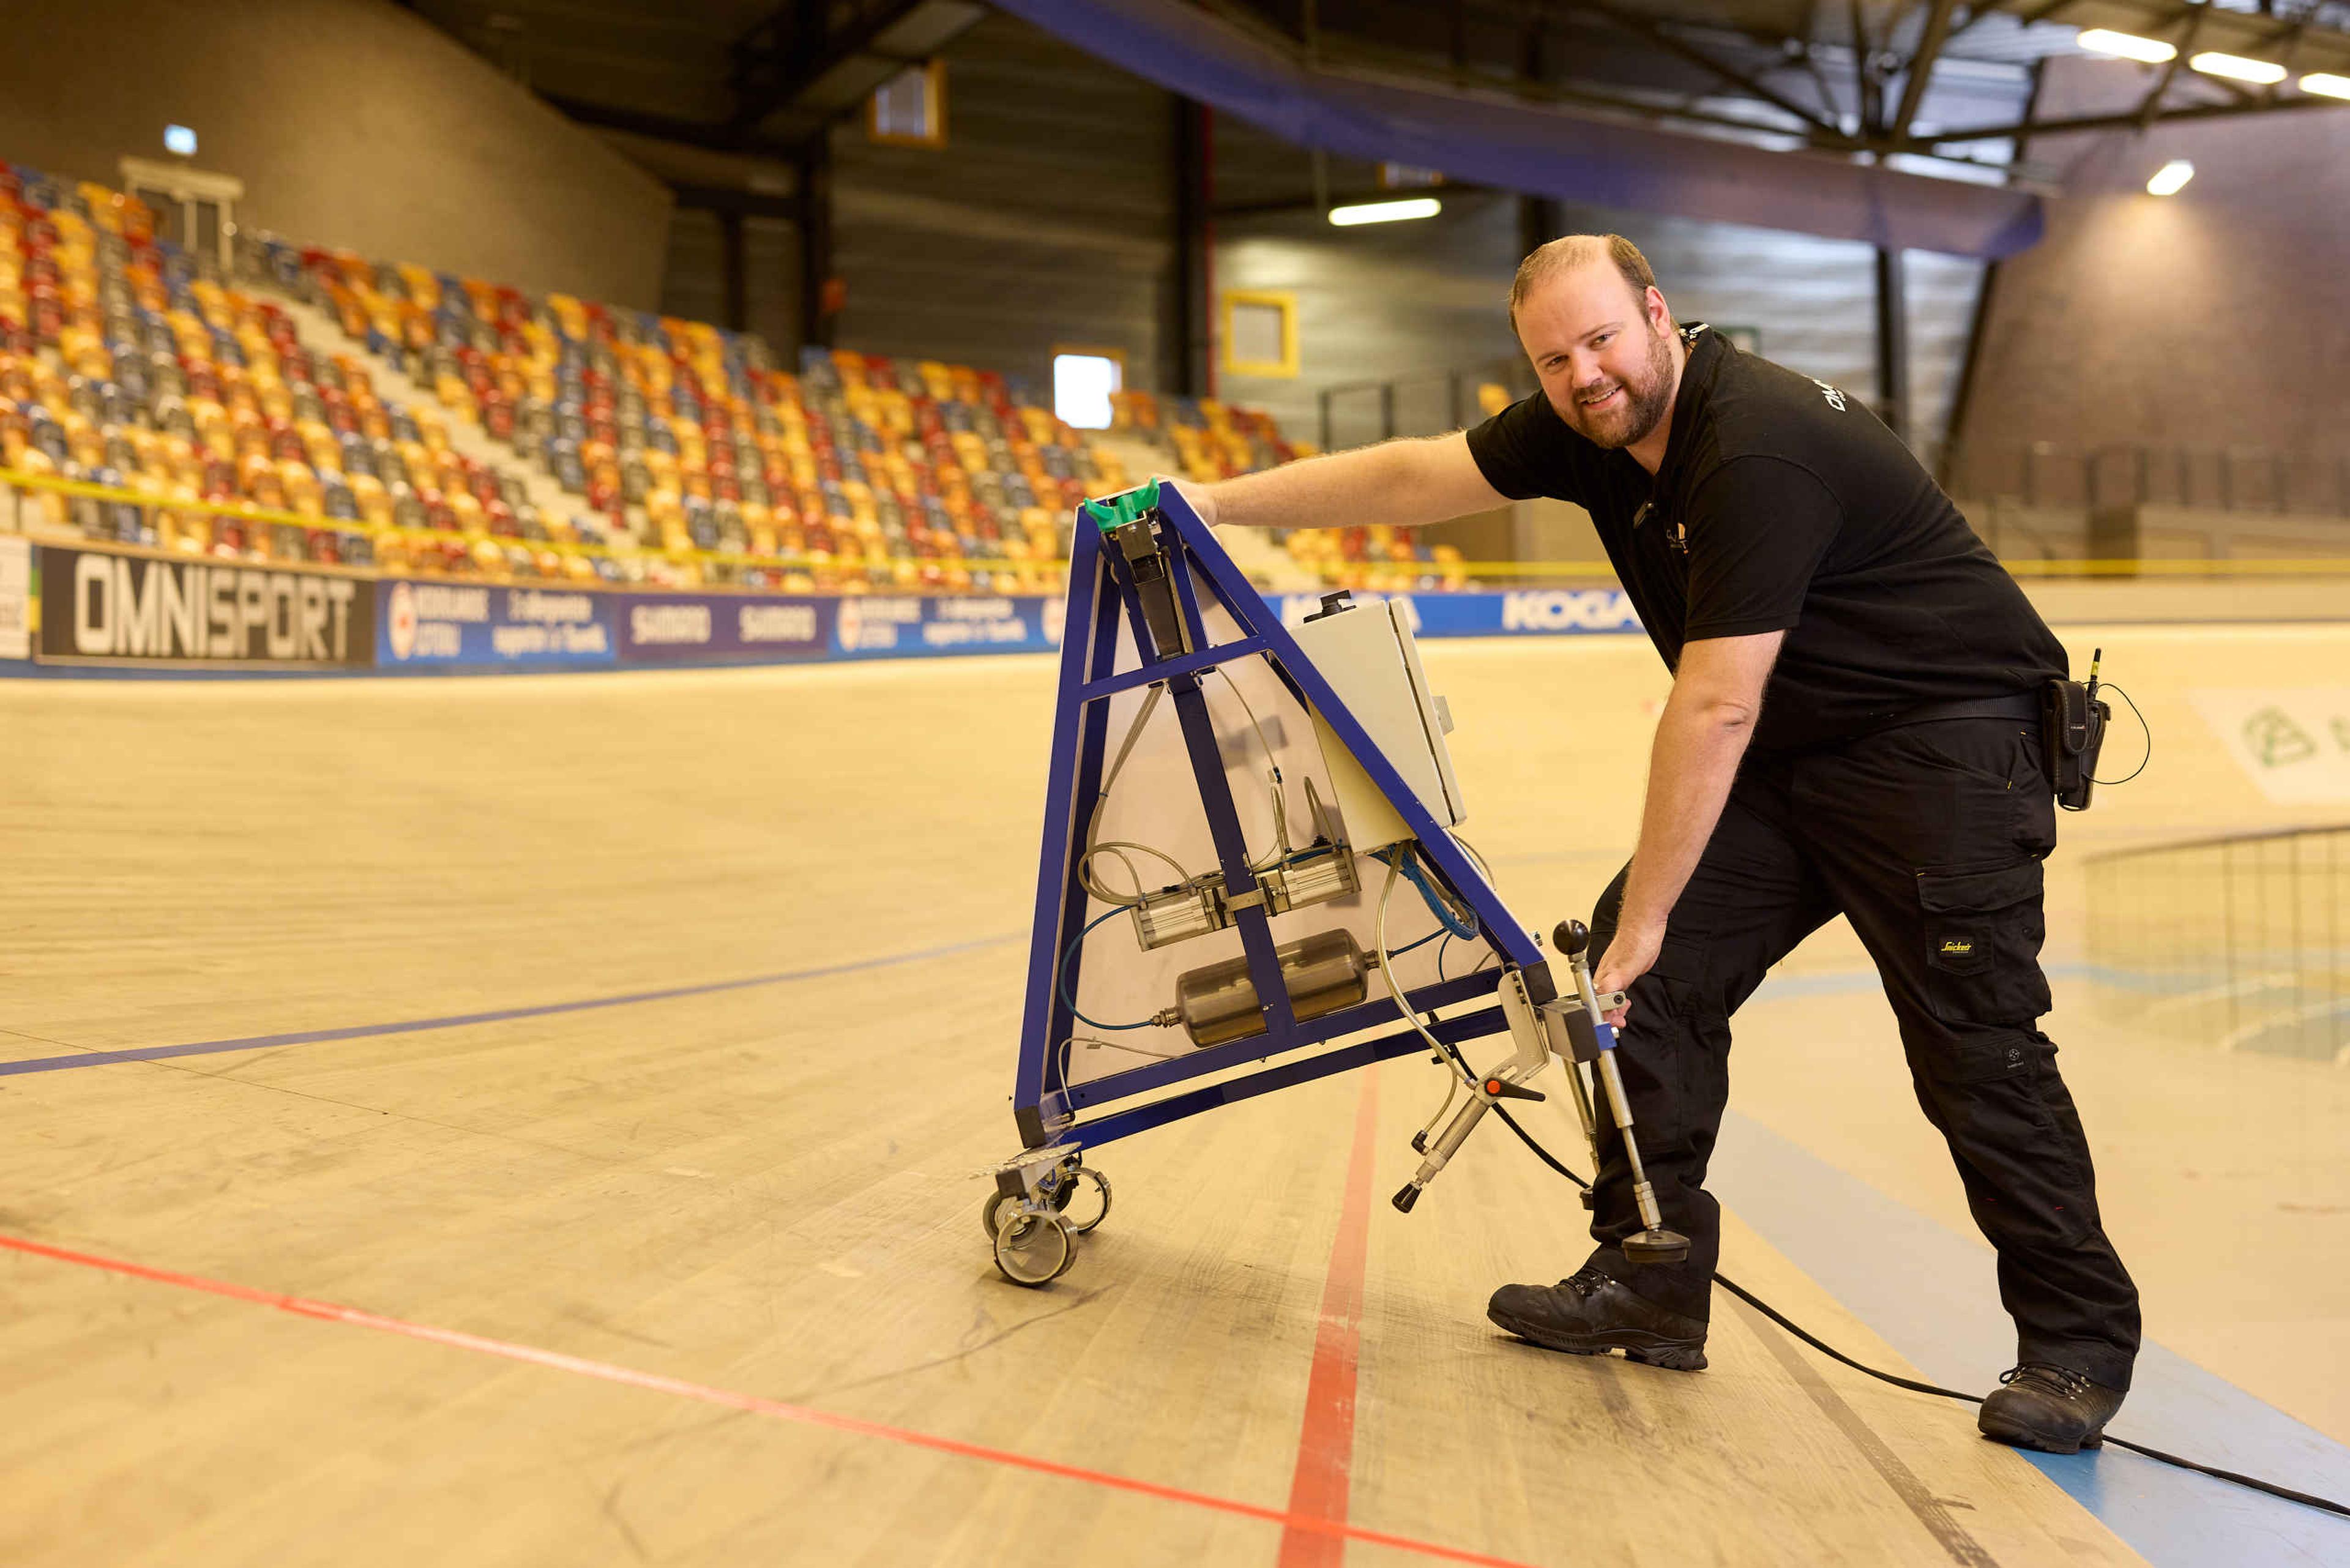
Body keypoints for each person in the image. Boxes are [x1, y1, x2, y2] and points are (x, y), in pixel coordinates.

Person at [1170, 233, 2138, 1456]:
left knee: (1975, 1047)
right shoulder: (1590, 427)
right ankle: (1651, 1276)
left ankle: (2076, 1348)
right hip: (1799, 750)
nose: (1584, 375)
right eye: (1554, 359)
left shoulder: (1758, 449)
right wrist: (1215, 504)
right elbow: (1424, 475)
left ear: (1660, 317)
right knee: (1645, 992)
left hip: (1942, 752)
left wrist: (1647, 912)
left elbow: (1715, 706)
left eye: (1603, 341)